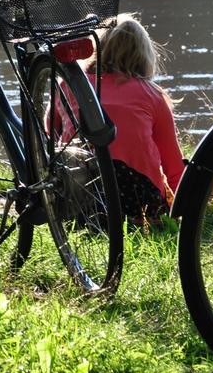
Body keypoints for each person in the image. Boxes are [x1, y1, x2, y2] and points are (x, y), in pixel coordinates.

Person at [79, 13, 184, 223]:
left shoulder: (70, 86)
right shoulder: (153, 96)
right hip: (139, 203)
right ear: (145, 54)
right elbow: (174, 168)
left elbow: (51, 135)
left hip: (79, 196)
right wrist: (183, 210)